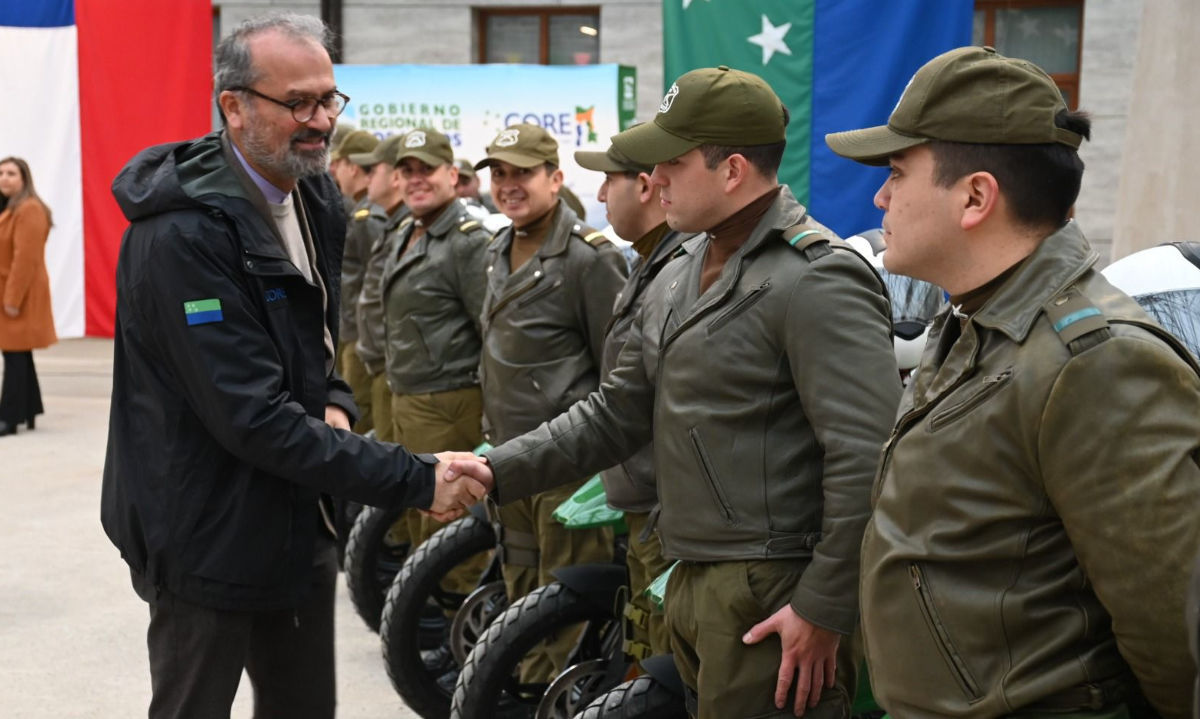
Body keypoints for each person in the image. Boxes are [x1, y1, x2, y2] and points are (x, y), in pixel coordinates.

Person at [449, 67, 901, 718]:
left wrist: (824, 605)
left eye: (672, 162)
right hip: (688, 572)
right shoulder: (682, 267)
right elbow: (616, 412)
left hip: (771, 594)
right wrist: (496, 468)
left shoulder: (817, 278)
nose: (653, 178)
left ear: (733, 170)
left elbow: (867, 456)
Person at [99, 14, 485, 719]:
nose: (319, 121)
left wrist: (335, 394)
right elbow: (250, 413)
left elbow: (317, 343)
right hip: (203, 536)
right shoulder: (182, 236)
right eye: (297, 103)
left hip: (299, 519)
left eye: (329, 99)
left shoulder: (315, 198)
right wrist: (415, 478)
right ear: (234, 105)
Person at [824, 46, 1200, 719]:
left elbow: (1173, 631)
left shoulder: (1093, 362)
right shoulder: (969, 322)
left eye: (896, 172)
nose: (880, 196)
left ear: (974, 196)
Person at [471, 122, 628, 679]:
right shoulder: (497, 248)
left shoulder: (589, 257)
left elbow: (617, 370)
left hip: (566, 463)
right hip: (510, 456)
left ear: (556, 178)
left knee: (564, 603)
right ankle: (520, 690)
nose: (509, 185)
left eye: (523, 174)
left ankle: (552, 697)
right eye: (500, 174)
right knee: (520, 586)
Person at [572, 140, 694, 658]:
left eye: (608, 181)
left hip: (663, 503)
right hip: (641, 495)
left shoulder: (677, 268)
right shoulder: (648, 262)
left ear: (643, 186)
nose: (599, 194)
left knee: (663, 659)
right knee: (646, 645)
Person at [381, 127, 493, 595]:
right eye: (406, 171)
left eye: (425, 169)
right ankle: (432, 623)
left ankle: (460, 650)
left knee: (448, 529)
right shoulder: (410, 228)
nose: (415, 180)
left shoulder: (466, 240)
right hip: (411, 399)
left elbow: (490, 328)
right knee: (421, 523)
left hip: (450, 402)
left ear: (452, 174)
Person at [348, 132, 410, 443]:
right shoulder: (392, 225)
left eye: (374, 170)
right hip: (377, 360)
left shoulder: (402, 227)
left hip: (393, 366)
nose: (366, 178)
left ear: (396, 176)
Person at [0, 157, 56, 437]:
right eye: (0, 173)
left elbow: (25, 259)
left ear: (24, 178)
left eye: (11, 173)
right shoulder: (11, 209)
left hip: (20, 294)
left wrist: (12, 300)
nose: (4, 178)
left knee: (14, 355)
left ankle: (9, 419)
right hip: (11, 291)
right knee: (18, 353)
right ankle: (30, 409)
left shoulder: (29, 209)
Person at [332, 129, 383, 435]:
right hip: (355, 332)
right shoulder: (363, 212)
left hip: (361, 338)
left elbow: (373, 285)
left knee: (361, 419)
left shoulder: (368, 217)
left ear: (351, 166)